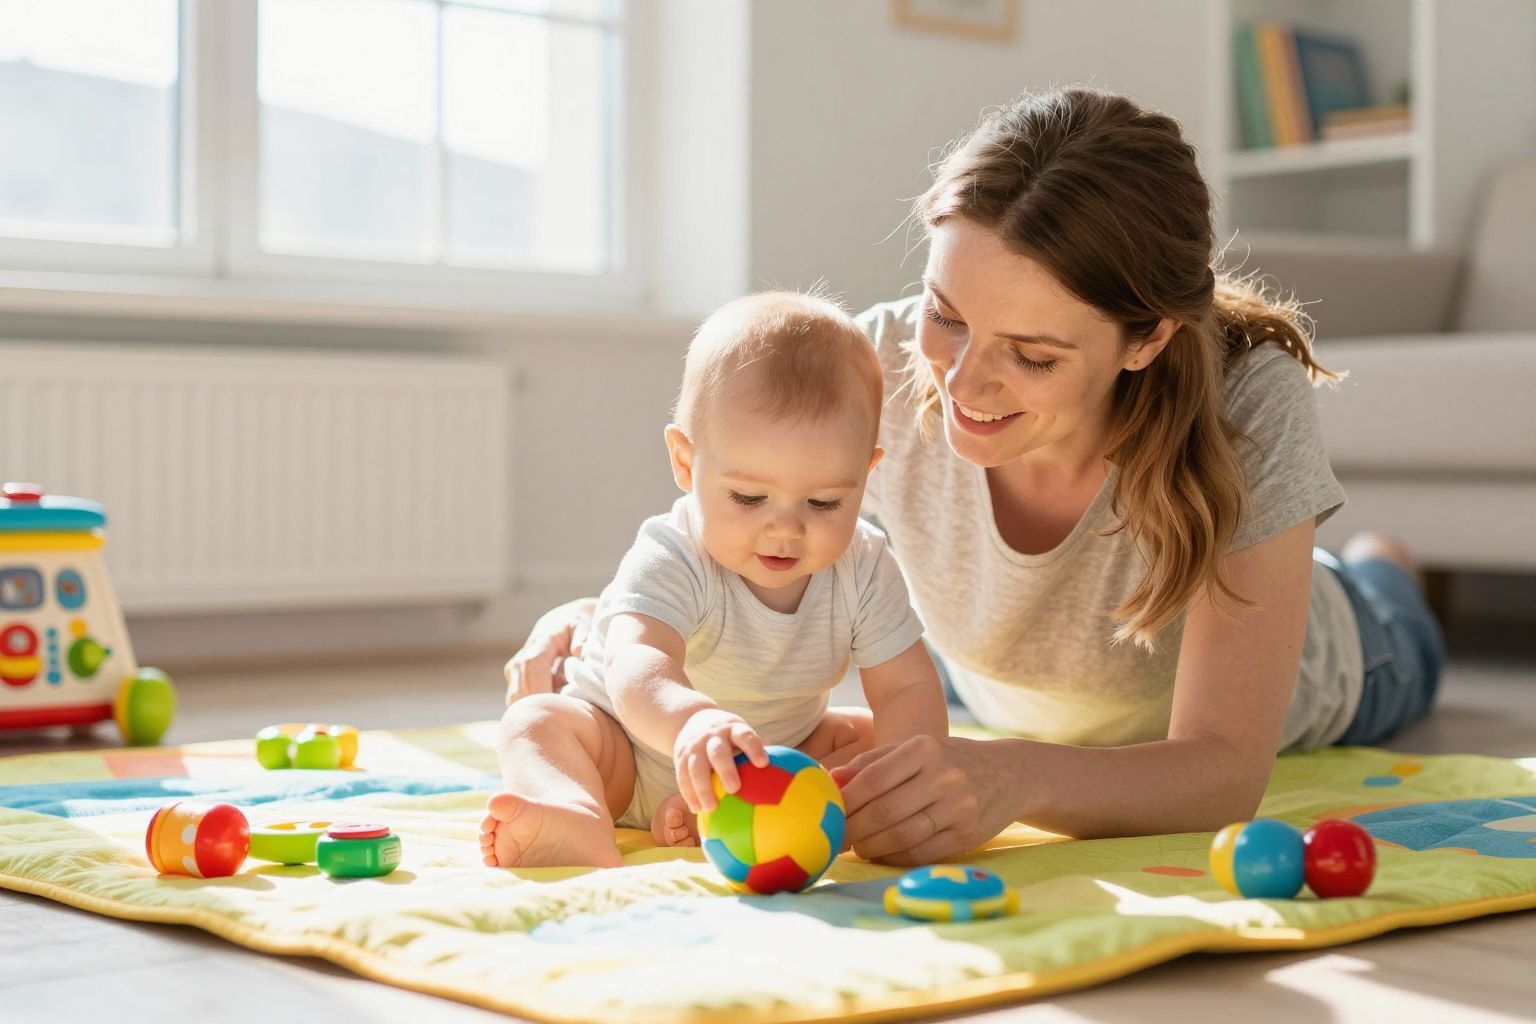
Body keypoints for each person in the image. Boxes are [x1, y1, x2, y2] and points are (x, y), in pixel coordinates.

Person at [503, 87, 1445, 866]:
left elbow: (1225, 771)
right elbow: (740, 503)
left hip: (1350, 668)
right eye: (946, 315)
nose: (961, 383)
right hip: (1002, 691)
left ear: (1148, 337)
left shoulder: (1252, 403)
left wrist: (1018, 778)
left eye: (1031, 356)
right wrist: (605, 622)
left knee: (1391, 616)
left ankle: (1384, 569)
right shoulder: (864, 364)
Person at [481, 291, 948, 869]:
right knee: (536, 722)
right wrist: (692, 723)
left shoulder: (866, 564)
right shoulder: (672, 552)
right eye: (750, 498)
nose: (785, 530)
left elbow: (907, 688)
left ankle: (756, 815)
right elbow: (637, 664)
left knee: (874, 738)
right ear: (685, 461)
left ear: (865, 475)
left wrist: (908, 778)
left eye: (824, 502)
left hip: (778, 758)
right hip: (630, 751)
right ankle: (571, 812)